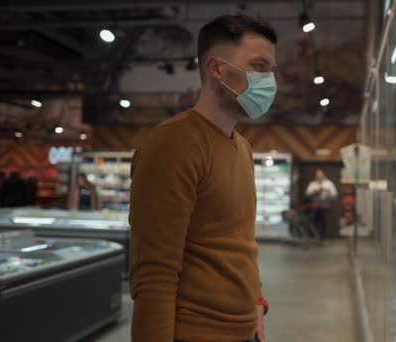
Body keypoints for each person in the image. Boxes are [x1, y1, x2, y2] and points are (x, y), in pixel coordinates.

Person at [129, 15, 277, 342]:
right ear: (216, 69)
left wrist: (256, 303)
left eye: (271, 70)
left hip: (244, 329)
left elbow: (240, 240)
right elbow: (154, 273)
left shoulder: (242, 148)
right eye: (259, 66)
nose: (269, 81)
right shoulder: (172, 144)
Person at [305, 169, 338, 240]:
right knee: (314, 221)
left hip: (325, 206)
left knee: (323, 222)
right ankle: (315, 236)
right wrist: (315, 191)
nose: (318, 176)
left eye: (320, 174)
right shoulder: (313, 184)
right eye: (317, 175)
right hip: (315, 206)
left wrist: (327, 191)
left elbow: (334, 195)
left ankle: (322, 237)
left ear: (323, 175)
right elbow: (307, 194)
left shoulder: (329, 184)